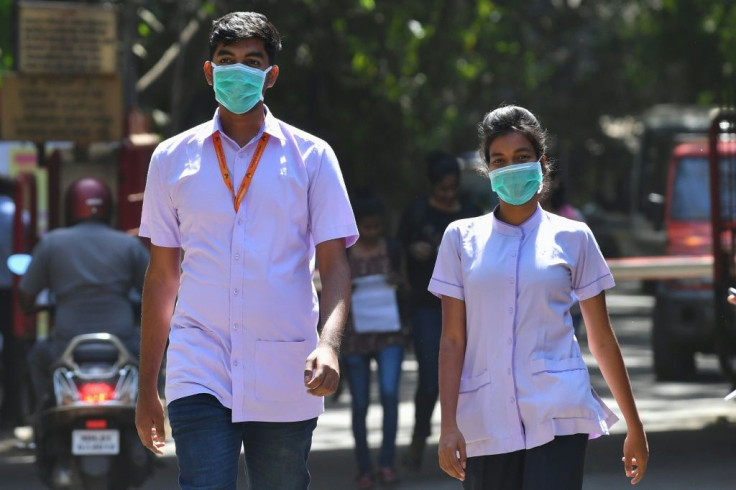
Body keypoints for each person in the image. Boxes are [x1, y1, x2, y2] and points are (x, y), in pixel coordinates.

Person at [134, 11, 357, 490]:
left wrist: (329, 344)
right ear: (209, 71)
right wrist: (147, 384)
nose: (238, 70)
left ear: (271, 75)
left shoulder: (312, 157)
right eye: (226, 60)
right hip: (199, 364)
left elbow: (335, 266)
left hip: (285, 367)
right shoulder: (171, 158)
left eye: (251, 61)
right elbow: (162, 278)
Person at [431, 105, 649, 489]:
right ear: (488, 170)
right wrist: (448, 424)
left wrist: (635, 425)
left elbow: (600, 337)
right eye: (499, 160)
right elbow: (452, 340)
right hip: (485, 415)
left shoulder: (574, 237)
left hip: (558, 410)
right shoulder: (460, 239)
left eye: (522, 158)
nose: (511, 167)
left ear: (541, 164)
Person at [18, 177, 150, 409]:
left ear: (69, 206)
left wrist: (42, 305)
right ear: (109, 207)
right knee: (152, 357)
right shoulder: (129, 246)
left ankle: (42, 417)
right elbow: (156, 294)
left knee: (37, 358)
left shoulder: (51, 244)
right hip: (123, 343)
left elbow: (25, 298)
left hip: (65, 343)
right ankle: (152, 407)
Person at [397, 151, 481, 469]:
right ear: (433, 186)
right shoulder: (417, 212)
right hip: (426, 307)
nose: (448, 194)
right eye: (442, 189)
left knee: (470, 376)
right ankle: (420, 438)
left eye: (453, 188)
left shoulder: (472, 212)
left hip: (469, 307)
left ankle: (471, 440)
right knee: (430, 378)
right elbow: (395, 251)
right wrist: (410, 249)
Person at [341, 193, 407, 488]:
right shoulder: (344, 252)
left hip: (390, 333)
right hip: (355, 336)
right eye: (366, 227)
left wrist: (396, 281)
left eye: (376, 227)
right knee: (360, 404)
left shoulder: (392, 248)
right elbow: (327, 285)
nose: (371, 232)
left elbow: (406, 284)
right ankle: (364, 467)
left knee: (391, 395)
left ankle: (387, 463)